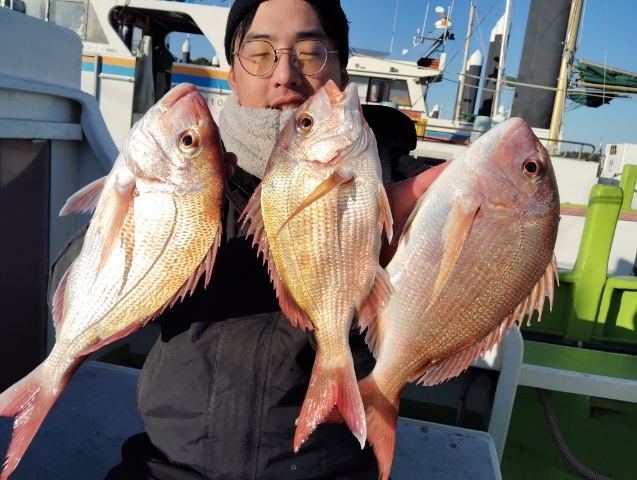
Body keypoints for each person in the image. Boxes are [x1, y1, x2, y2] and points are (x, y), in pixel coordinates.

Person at [49, 1, 446, 478]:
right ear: (233, 76)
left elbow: (466, 303)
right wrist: (147, 220)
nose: (285, 75)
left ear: (341, 71)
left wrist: (402, 253)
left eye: (311, 52)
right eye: (259, 54)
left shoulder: (406, 188)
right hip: (169, 466)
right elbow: (70, 287)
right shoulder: (186, 177)